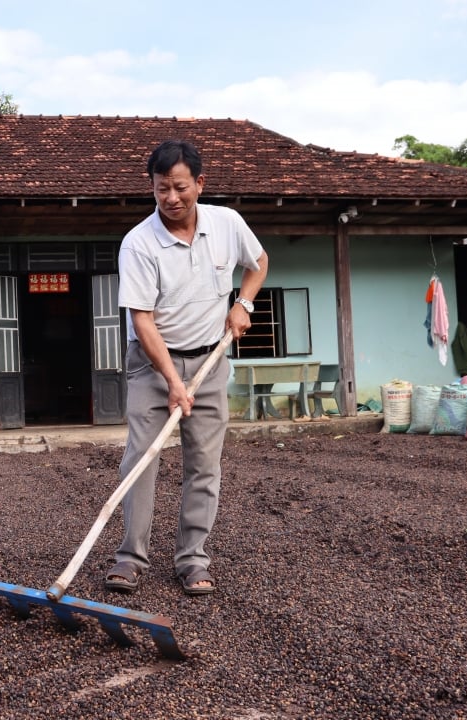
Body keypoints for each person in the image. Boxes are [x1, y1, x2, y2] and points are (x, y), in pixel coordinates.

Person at [105, 139, 268, 596]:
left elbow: (259, 263)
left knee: (204, 464)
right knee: (141, 457)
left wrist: (244, 305)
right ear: (152, 188)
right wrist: (173, 382)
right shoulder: (139, 243)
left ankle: (192, 559)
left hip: (210, 359)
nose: (171, 198)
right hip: (153, 362)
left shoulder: (227, 223)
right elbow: (142, 320)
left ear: (199, 183)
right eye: (161, 190)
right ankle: (130, 558)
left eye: (179, 187)